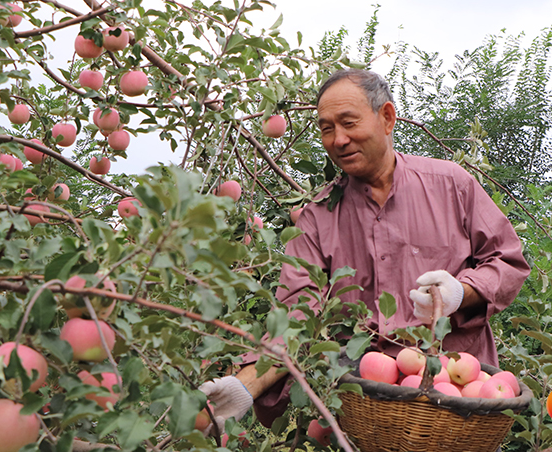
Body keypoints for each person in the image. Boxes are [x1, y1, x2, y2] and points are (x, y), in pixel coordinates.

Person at [198, 69, 531, 432]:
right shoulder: (316, 220)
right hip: (370, 413)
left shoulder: (452, 185)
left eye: (348, 123)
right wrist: (244, 387)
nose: (338, 139)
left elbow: (507, 260)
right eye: (326, 129)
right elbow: (297, 316)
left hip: (458, 403)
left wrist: (458, 293)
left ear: (386, 117)